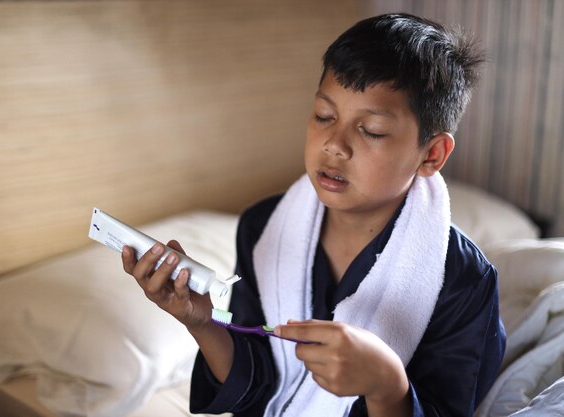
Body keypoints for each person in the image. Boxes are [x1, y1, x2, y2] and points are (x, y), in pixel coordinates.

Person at [121, 12, 505, 417]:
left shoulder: (464, 281)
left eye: (371, 129)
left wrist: (387, 385)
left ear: (431, 154)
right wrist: (199, 322)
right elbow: (261, 383)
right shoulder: (265, 228)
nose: (334, 144)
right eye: (324, 116)